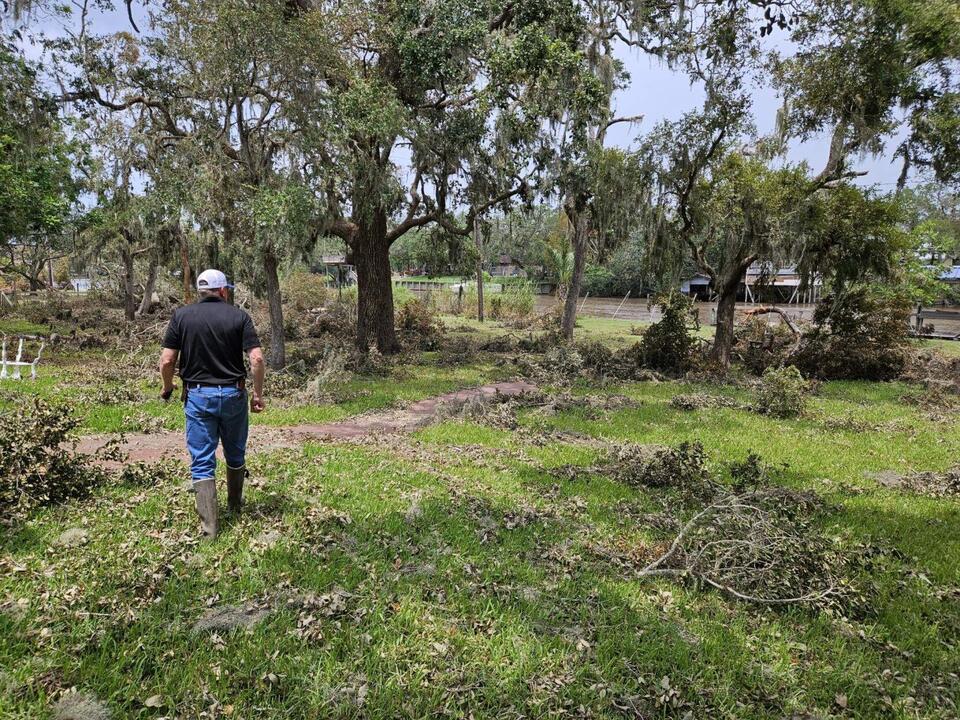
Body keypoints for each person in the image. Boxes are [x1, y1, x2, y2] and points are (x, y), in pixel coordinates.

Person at [159, 269, 266, 539]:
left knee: (202, 462)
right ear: (223, 291)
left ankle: (210, 530)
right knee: (235, 453)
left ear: (201, 291)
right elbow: (257, 359)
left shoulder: (181, 316)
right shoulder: (239, 316)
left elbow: (167, 361)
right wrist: (257, 394)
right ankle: (235, 507)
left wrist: (168, 386)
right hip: (233, 395)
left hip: (198, 397)